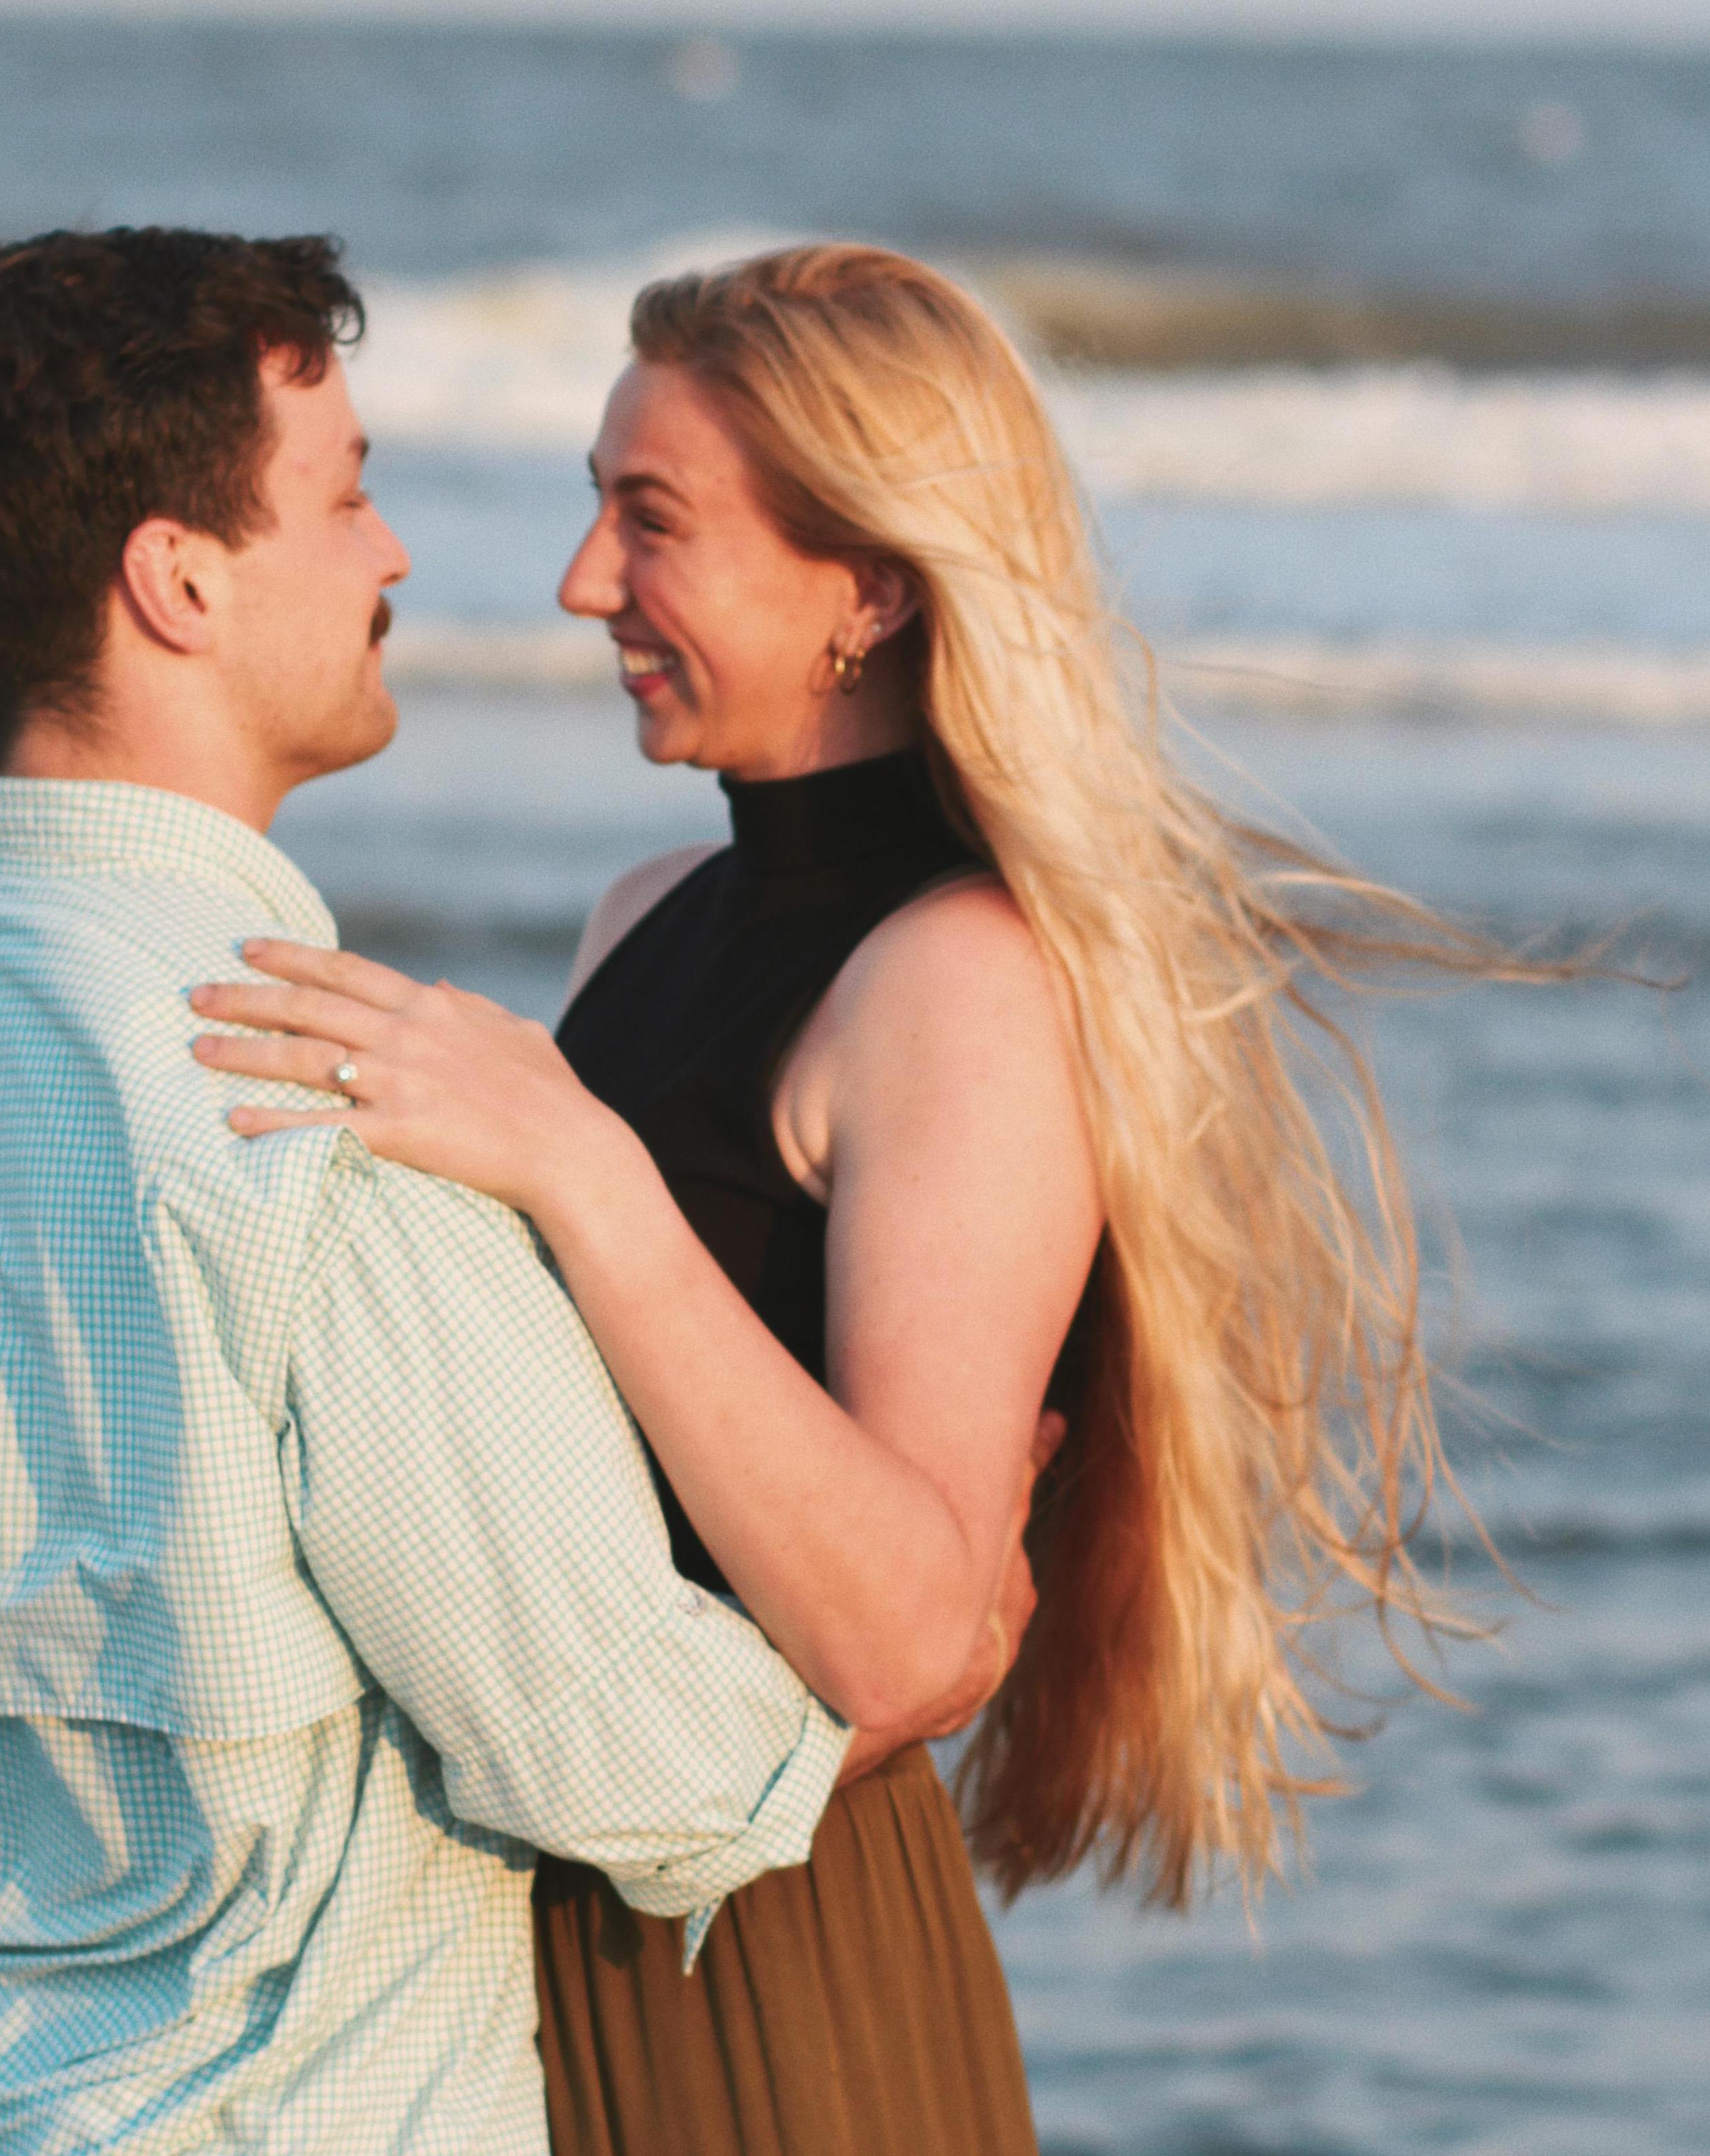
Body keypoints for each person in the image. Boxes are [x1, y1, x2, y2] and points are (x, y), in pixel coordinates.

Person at [191, 244, 1546, 2156]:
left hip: (762, 1957)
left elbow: (904, 1637)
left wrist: (571, 1163)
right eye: (594, 508)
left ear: (871, 584)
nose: (586, 584)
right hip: (509, 1937)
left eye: (647, 522)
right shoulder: (646, 912)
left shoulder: (961, 980)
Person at [0, 228, 887, 2155]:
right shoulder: (318, 1106)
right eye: (342, 497)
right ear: (176, 580)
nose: (393, 553)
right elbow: (656, 1776)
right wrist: (913, 1597)